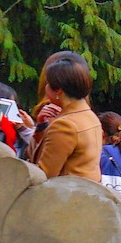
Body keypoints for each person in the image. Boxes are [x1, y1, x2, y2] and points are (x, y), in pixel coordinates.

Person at [27, 52, 100, 182]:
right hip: (85, 194)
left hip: (64, 197)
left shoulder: (64, 125)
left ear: (58, 91)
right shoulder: (90, 116)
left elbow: (44, 175)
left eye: (48, 84)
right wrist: (42, 126)